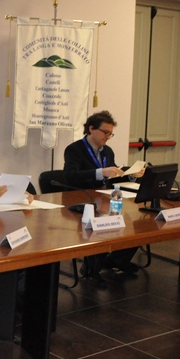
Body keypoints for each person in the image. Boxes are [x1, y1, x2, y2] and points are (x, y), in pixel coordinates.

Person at [63, 110, 139, 287]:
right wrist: (99, 172)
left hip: (104, 198)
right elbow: (70, 176)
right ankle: (90, 269)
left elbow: (112, 176)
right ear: (91, 129)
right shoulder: (75, 149)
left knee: (134, 224)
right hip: (82, 198)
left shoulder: (107, 151)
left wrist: (131, 175)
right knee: (101, 224)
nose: (108, 137)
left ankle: (115, 260)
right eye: (105, 132)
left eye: (110, 133)